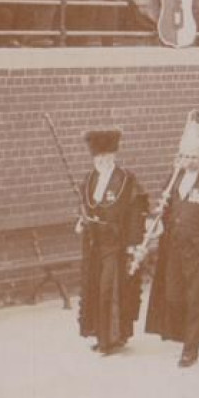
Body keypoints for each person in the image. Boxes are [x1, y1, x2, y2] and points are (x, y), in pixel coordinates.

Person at [143, 125, 199, 368]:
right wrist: (159, 214)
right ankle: (181, 335)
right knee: (173, 295)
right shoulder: (174, 178)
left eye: (193, 157)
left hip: (198, 250)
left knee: (195, 298)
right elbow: (166, 209)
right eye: (185, 156)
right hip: (173, 248)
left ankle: (190, 349)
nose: (189, 161)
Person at [76, 128, 148, 356]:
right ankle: (100, 334)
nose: (102, 161)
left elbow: (136, 212)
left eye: (107, 157)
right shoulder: (89, 179)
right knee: (95, 288)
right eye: (98, 157)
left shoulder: (126, 180)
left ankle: (112, 338)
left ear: (114, 156)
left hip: (116, 244)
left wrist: (134, 243)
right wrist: (81, 222)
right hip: (93, 245)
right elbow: (84, 208)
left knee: (110, 288)